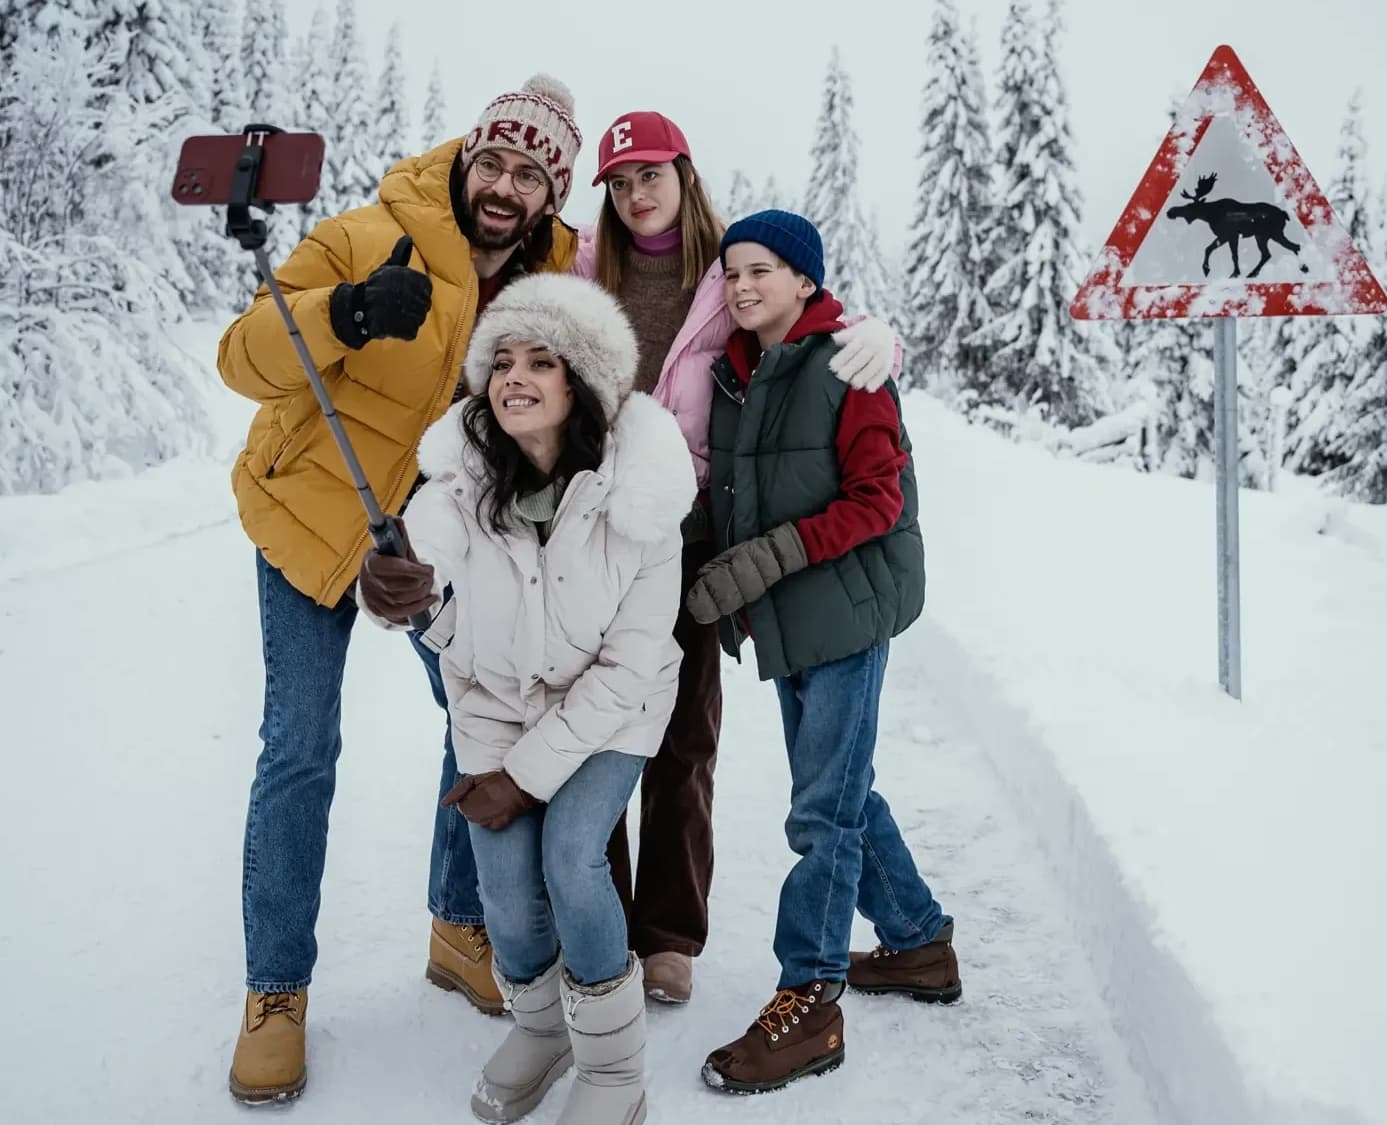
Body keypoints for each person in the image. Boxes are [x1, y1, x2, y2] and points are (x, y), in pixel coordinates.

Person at [215, 74, 587, 1103]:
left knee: (479, 724)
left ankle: (457, 926)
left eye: (530, 174)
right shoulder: (366, 234)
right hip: (310, 522)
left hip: (430, 550)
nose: (504, 185)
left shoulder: (550, 291)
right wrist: (342, 313)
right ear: (466, 159)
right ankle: (275, 990)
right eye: (493, 161)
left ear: (550, 196)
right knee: (300, 747)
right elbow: (242, 357)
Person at [567, 109, 901, 1006]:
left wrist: (879, 333)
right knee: (594, 729)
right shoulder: (580, 270)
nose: (636, 194)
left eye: (651, 173)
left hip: (692, 538)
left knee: (684, 734)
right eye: (619, 181)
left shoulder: (726, 276)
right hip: (595, 536)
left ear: (684, 173)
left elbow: (808, 312)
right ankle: (598, 923)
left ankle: (669, 934)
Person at [356, 272, 689, 1125]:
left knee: (572, 856)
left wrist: (523, 778)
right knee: (501, 881)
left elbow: (629, 666)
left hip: (614, 708)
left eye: (541, 361)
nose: (515, 377)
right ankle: (543, 1029)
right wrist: (390, 584)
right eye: (502, 361)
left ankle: (613, 1065)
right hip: (500, 705)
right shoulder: (461, 483)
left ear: (582, 381)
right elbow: (421, 560)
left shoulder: (643, 495)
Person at [681, 211, 959, 1095]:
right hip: (793, 618)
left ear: (804, 279)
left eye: (761, 270)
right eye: (731, 273)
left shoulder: (850, 364)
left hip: (845, 612)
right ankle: (918, 941)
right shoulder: (738, 372)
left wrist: (768, 559)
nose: (742, 286)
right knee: (839, 792)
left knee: (821, 813)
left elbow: (879, 499)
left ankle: (810, 998)